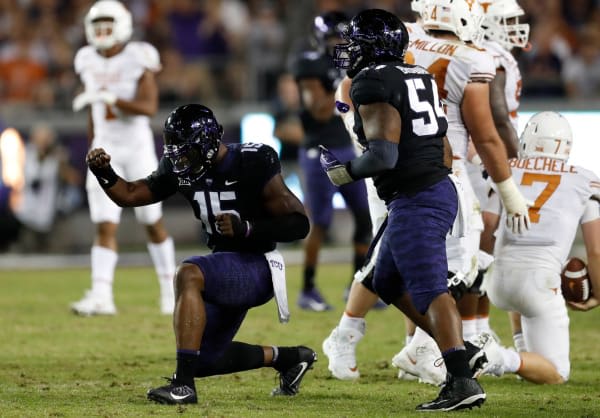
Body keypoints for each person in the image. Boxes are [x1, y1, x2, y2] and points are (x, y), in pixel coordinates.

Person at [322, 0, 530, 386]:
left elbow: (372, 131)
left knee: (425, 271)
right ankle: (437, 349)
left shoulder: (399, 55)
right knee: (416, 270)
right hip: (430, 174)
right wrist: (507, 189)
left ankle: (439, 355)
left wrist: (347, 158)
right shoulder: (443, 63)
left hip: (409, 178)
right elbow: (476, 135)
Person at [85, 103, 316, 404]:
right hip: (225, 266)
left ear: (207, 144)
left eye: (185, 149)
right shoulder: (182, 169)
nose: (178, 156)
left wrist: (247, 228)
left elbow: (299, 225)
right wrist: (104, 172)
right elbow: (130, 195)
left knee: (189, 273)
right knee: (204, 359)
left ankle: (183, 386)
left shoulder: (252, 162)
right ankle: (289, 358)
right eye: (174, 148)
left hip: (258, 265)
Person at [474, 111, 600, 383]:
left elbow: (488, 224)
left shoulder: (507, 168)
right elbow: (596, 250)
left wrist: (478, 272)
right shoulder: (585, 180)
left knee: (520, 285)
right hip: (540, 284)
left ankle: (521, 355)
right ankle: (498, 356)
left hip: (499, 282)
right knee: (557, 374)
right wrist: (598, 294)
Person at [70, 0, 176, 316]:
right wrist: (92, 144)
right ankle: (102, 295)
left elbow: (148, 106)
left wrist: (111, 98)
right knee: (104, 225)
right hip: (105, 149)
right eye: (97, 25)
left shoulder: (137, 56)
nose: (102, 32)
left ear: (123, 26)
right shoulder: (86, 58)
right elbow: (94, 112)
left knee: (152, 222)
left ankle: (170, 292)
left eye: (108, 25)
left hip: (137, 148)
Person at [292, 11, 372, 311]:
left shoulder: (351, 63)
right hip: (320, 152)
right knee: (321, 223)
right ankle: (308, 289)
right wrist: (345, 79)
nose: (339, 43)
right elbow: (320, 111)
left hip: (350, 148)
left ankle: (357, 286)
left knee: (365, 217)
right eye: (334, 38)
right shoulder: (310, 64)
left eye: (343, 38)